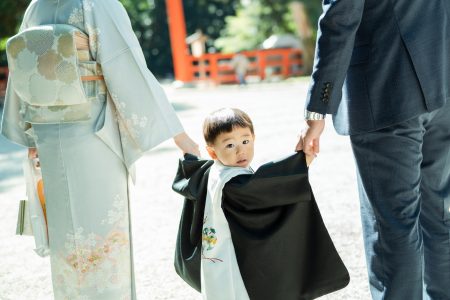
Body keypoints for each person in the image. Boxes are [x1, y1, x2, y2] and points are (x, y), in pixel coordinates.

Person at [1, 0, 199, 299]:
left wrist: (30, 135)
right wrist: (180, 137)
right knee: (98, 231)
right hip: (92, 133)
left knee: (69, 236)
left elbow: (24, 72)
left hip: (48, 135)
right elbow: (129, 69)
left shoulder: (36, 8)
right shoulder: (97, 4)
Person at [296, 1, 450, 299]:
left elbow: (340, 19)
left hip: (385, 90)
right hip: (441, 82)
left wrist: (316, 110)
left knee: (394, 225)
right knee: (438, 215)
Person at [172, 108, 349, 300]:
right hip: (233, 262)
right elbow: (262, 188)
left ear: (254, 139)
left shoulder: (210, 172)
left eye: (246, 141)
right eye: (230, 145)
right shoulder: (232, 182)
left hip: (214, 260)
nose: (241, 150)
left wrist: (188, 153)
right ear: (213, 152)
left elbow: (192, 169)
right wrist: (299, 163)